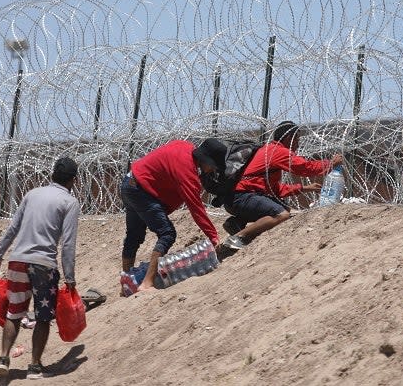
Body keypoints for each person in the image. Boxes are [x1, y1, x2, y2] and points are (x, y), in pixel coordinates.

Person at [0, 156, 80, 380]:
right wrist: (69, 277)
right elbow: (68, 243)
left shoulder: (32, 194)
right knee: (43, 316)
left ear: (52, 175)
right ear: (74, 180)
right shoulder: (70, 202)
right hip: (44, 265)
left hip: (17, 261)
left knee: (14, 312)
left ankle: (3, 358)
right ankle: (35, 366)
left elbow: (13, 228)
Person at [121, 139, 224, 292]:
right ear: (206, 161)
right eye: (213, 167)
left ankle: (126, 282)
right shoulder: (187, 171)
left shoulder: (185, 147)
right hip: (141, 191)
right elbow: (196, 208)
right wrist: (213, 236)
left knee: (134, 235)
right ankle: (146, 283)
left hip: (130, 182)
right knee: (167, 233)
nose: (212, 171)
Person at [222, 121, 343, 249]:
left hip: (236, 198)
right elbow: (304, 167)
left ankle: (236, 222)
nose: (298, 144)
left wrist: (304, 188)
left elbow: (275, 189)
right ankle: (237, 238)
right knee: (282, 214)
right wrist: (331, 163)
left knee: (282, 206)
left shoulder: (268, 149)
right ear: (288, 138)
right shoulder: (278, 151)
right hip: (242, 198)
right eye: (297, 139)